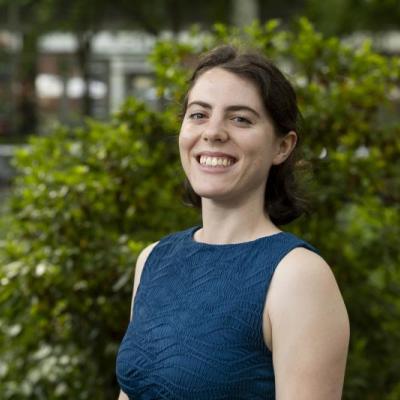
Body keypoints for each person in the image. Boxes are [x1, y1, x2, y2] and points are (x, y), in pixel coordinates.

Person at [116, 45, 350, 400]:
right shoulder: (153, 260)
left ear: (282, 147)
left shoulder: (297, 277)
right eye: (198, 115)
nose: (213, 132)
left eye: (240, 118)